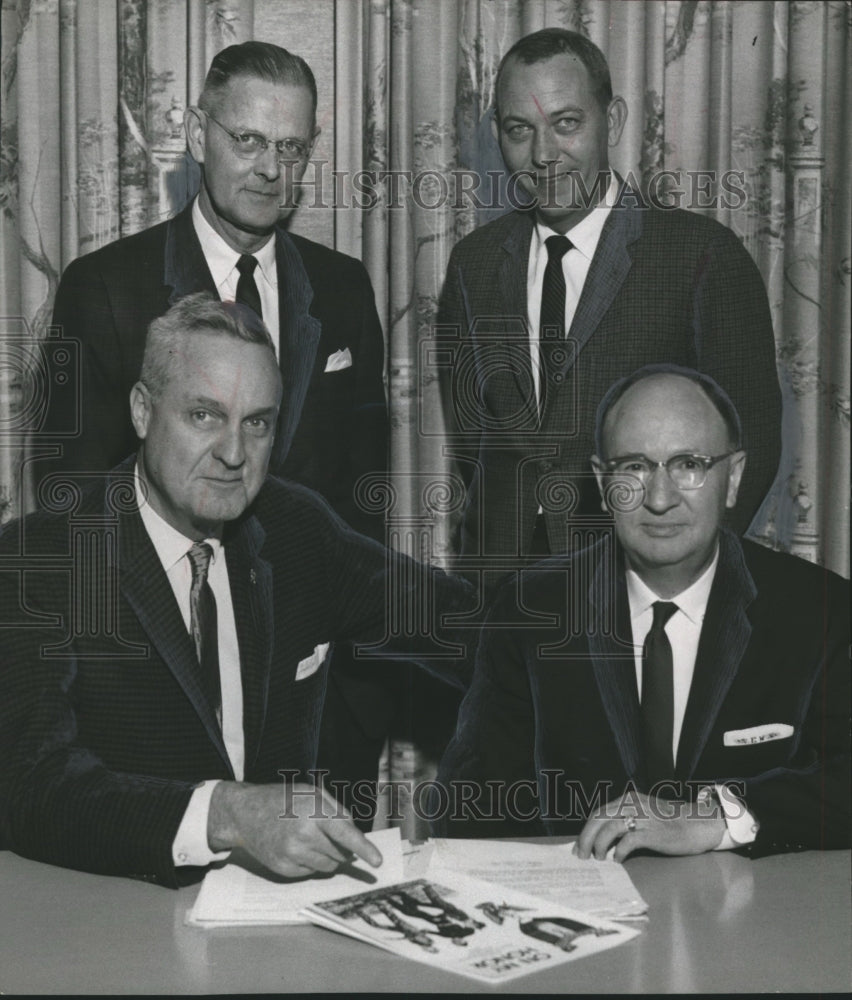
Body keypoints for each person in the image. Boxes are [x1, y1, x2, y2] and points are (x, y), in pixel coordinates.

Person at [0, 294, 474, 885]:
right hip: (111, 919)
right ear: (143, 412)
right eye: (204, 415)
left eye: (257, 424)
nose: (233, 454)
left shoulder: (296, 526)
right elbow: (30, 786)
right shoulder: (39, 560)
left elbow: (466, 625)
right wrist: (226, 813)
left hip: (275, 921)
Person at [44, 40, 394, 831]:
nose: (272, 169)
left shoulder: (341, 289)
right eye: (248, 141)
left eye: (293, 148)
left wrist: (353, 680)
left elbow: (365, 496)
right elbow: (69, 507)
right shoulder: (103, 289)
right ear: (200, 133)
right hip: (155, 705)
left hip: (318, 707)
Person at [435, 366, 850, 859]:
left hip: (758, 915)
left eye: (688, 464)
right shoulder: (531, 608)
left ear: (733, 477)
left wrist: (720, 815)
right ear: (602, 481)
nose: (659, 498)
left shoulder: (817, 608)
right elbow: (474, 807)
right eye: (633, 467)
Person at [437, 28, 781, 562]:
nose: (544, 154)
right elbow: (474, 448)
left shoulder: (703, 257)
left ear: (612, 121)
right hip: (501, 604)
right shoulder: (473, 264)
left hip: (641, 591)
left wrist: (680, 582)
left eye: (566, 123)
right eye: (519, 129)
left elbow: (750, 449)